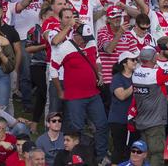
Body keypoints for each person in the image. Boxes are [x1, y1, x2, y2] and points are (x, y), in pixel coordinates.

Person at [50, 22, 108, 163]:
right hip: (75, 97)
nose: (86, 41)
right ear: (75, 35)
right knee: (77, 129)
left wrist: (99, 73)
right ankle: (79, 158)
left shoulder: (91, 41)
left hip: (93, 94)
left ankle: (101, 156)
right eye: (83, 39)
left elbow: (96, 58)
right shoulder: (65, 48)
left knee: (102, 125)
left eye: (88, 38)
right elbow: (53, 68)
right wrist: (60, 91)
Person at [132, 44, 168, 166]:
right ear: (154, 58)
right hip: (155, 124)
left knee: (145, 155)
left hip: (142, 122)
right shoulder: (156, 74)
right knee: (157, 155)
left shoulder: (136, 73)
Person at [109, 51, 138, 165]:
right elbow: (121, 96)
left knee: (132, 150)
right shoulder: (117, 78)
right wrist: (135, 84)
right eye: (132, 60)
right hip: (118, 119)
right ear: (124, 63)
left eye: (136, 59)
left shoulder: (137, 75)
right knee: (119, 149)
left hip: (134, 119)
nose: (136, 62)